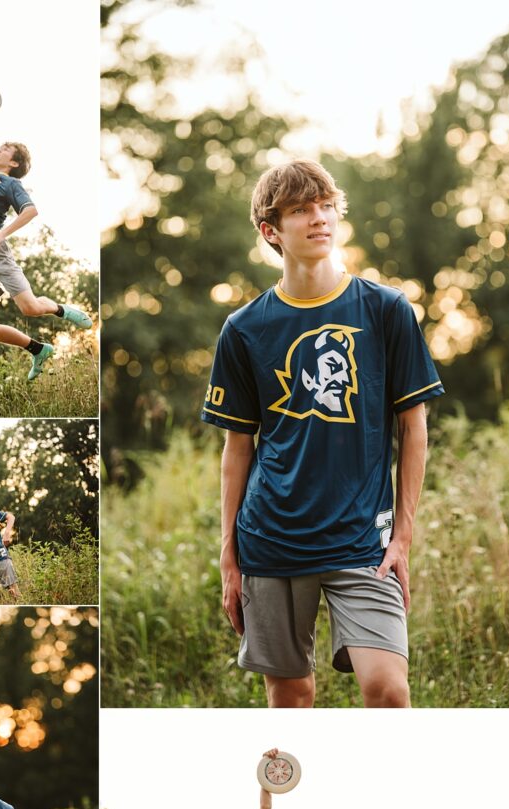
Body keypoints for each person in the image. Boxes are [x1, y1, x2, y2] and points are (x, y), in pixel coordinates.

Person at [201, 159, 445, 709]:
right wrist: (228, 554)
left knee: (388, 692)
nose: (318, 218)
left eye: (325, 206)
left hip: (365, 541)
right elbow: (237, 449)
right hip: (270, 539)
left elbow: (414, 428)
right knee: (291, 698)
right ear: (271, 230)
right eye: (299, 210)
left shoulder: (385, 310)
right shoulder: (243, 329)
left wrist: (403, 535)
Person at [0, 90, 93, 381]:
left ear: (15, 162)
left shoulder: (11, 185)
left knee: (30, 308)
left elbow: (30, 211)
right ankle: (37, 349)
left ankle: (60, 309)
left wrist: (0, 235)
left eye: (6, 148)